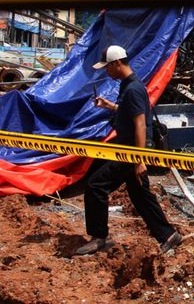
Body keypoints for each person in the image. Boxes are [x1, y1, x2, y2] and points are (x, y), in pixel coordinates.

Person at [75, 45, 182, 256]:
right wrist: (110, 106)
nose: (106, 72)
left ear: (116, 64)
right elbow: (130, 111)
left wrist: (139, 160)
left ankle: (99, 238)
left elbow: (140, 124)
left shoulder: (133, 88)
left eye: (107, 67)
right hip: (130, 149)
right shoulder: (128, 85)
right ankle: (168, 235)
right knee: (139, 194)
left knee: (96, 185)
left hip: (131, 151)